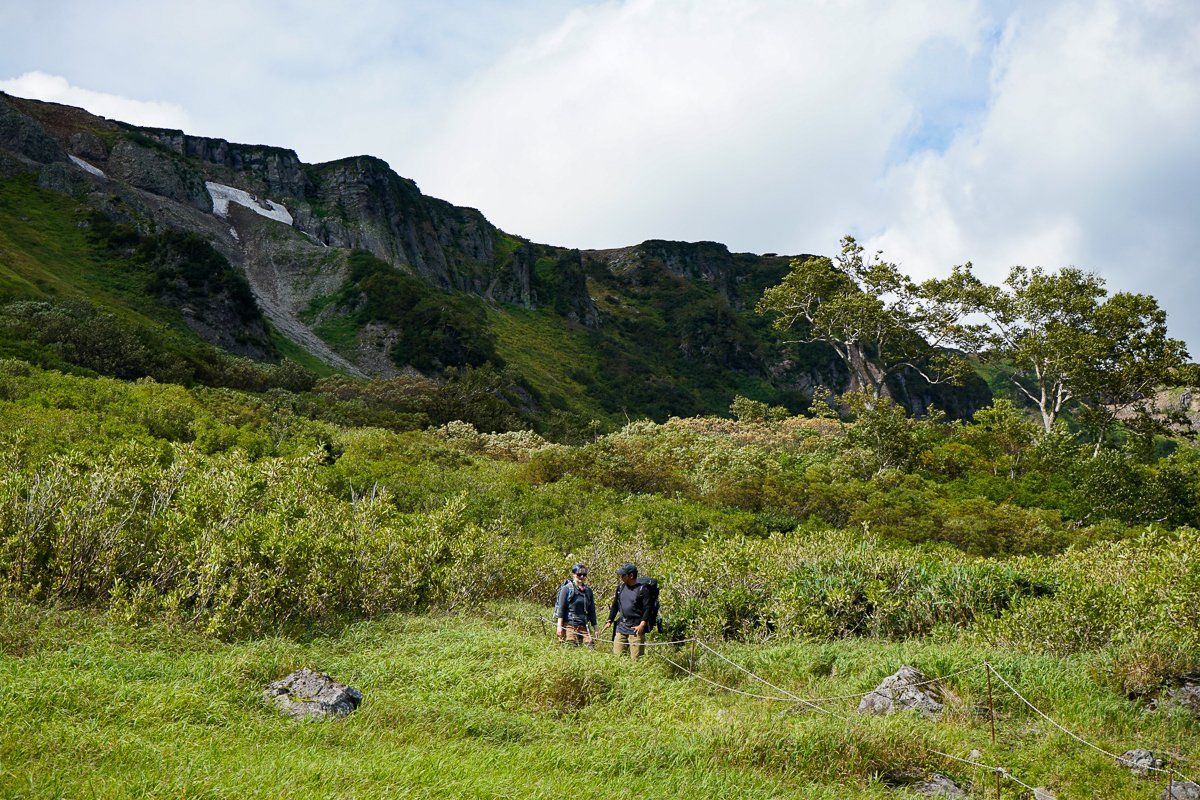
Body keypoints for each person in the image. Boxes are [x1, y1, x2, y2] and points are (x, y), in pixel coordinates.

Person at [602, 563, 650, 660]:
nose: (621, 577)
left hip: (636, 630)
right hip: (621, 628)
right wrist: (609, 620)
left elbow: (647, 609)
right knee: (617, 658)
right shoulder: (620, 588)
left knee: (636, 660)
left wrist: (642, 625)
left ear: (631, 576)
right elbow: (615, 605)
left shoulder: (642, 590)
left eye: (623, 575)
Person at [555, 563, 596, 646]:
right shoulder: (566, 589)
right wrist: (559, 626)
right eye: (579, 574)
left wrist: (595, 628)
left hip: (584, 625)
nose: (582, 577)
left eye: (584, 575)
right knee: (571, 645)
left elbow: (592, 610)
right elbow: (561, 609)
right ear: (573, 575)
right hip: (570, 624)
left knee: (590, 647)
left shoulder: (588, 591)